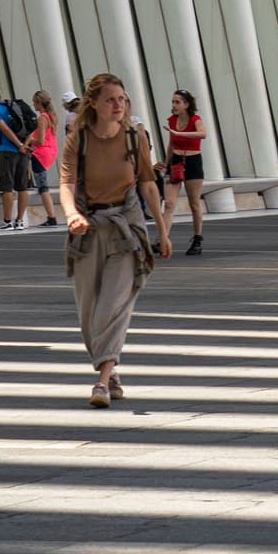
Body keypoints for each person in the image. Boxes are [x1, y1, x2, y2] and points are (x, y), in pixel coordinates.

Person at [61, 72, 169, 405]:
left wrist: (162, 231)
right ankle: (112, 368)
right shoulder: (78, 139)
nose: (118, 105)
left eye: (122, 99)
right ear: (93, 103)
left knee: (115, 304)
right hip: (89, 228)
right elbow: (67, 184)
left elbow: (148, 185)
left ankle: (102, 382)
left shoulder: (134, 138)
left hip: (126, 229)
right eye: (110, 99)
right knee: (89, 313)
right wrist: (71, 215)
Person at [162, 90, 208, 255]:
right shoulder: (172, 121)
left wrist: (179, 133)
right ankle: (163, 238)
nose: (174, 105)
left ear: (186, 105)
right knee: (169, 203)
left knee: (194, 204)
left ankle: (197, 238)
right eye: (173, 102)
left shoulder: (195, 120)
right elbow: (171, 145)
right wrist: (166, 164)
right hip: (176, 161)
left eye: (178, 102)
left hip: (193, 162)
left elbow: (203, 134)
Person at [0, 85, 32, 232]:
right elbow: (31, 127)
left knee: (7, 187)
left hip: (7, 151)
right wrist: (24, 145)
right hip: (24, 152)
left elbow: (4, 128)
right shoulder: (16, 107)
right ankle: (20, 221)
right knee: (22, 187)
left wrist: (18, 145)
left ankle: (7, 221)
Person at [27, 92, 61, 228]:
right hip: (51, 151)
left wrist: (29, 142)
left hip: (40, 154)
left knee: (43, 187)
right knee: (42, 185)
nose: (33, 105)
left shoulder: (42, 118)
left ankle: (51, 217)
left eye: (34, 102)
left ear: (39, 103)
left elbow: (40, 141)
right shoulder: (51, 117)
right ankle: (51, 217)